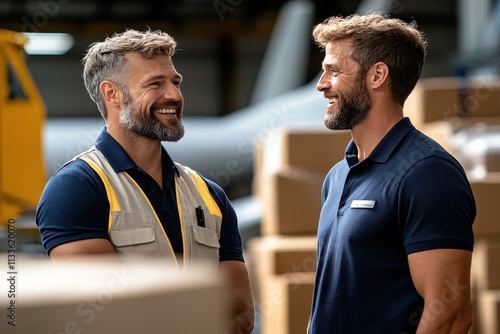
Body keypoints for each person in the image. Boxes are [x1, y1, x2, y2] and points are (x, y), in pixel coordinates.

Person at [36, 29, 254, 334]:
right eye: (155, 84)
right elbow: (104, 315)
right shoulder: (75, 189)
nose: (174, 96)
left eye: (176, 82)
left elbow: (239, 314)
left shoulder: (209, 194)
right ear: (112, 93)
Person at [307, 13, 475, 334]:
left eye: (334, 70)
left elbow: (450, 315)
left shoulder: (429, 173)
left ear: (377, 75)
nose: (321, 84)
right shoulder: (337, 176)